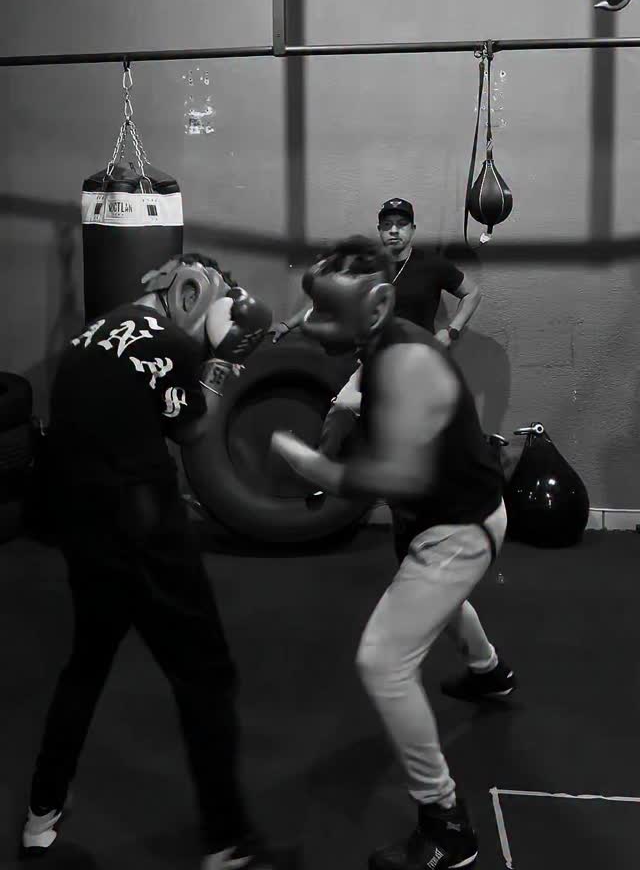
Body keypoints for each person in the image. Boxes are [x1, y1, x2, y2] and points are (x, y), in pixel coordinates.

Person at [21, 253, 276, 870]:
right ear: (195, 294)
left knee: (87, 662)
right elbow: (192, 433)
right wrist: (224, 364)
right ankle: (228, 843)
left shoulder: (91, 334)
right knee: (207, 678)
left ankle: (41, 812)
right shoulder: (174, 345)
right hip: (143, 531)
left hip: (81, 525)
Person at [271, 236, 515, 870]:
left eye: (329, 311)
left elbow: (398, 476)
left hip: (460, 531)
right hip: (444, 518)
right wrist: (338, 408)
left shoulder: (406, 361)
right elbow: (354, 390)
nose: (315, 323)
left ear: (376, 306)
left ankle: (447, 825)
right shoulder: (379, 345)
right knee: (434, 599)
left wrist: (315, 466)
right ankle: (488, 670)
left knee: (382, 662)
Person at [271, 199, 482, 481]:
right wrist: (288, 324)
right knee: (344, 408)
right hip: (374, 358)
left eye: (401, 224)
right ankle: (320, 477)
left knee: (413, 430)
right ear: (380, 230)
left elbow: (472, 293)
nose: (394, 230)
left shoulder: (431, 264)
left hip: (417, 362)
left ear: (413, 229)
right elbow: (330, 299)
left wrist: (451, 331)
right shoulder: (367, 268)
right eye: (387, 225)